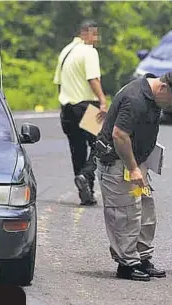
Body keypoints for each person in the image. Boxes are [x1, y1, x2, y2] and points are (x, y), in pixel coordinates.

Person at [96, 71, 172, 281]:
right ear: (164, 88)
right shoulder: (134, 99)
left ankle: (142, 257)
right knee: (125, 214)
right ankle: (127, 264)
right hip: (120, 163)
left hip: (138, 163)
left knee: (146, 210)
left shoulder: (155, 94)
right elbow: (119, 135)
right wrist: (133, 168)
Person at [53, 20, 108, 206]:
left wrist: (62, 103)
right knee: (101, 144)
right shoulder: (89, 51)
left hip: (67, 107)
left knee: (77, 149)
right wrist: (103, 101)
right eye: (94, 34)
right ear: (85, 33)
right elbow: (93, 79)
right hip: (87, 106)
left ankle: (85, 191)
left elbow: (58, 82)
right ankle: (86, 176)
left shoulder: (66, 51)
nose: (96, 39)